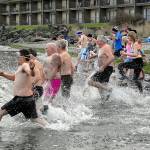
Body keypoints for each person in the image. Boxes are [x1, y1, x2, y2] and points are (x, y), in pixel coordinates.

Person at [0, 49, 49, 128]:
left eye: (18, 56)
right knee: (35, 119)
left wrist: (32, 69)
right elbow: (14, 78)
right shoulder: (21, 67)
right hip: (28, 99)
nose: (17, 58)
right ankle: (53, 127)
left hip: (21, 99)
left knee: (1, 112)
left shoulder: (25, 65)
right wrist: (3, 74)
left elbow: (30, 72)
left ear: (23, 57)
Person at [88, 35, 114, 100]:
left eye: (97, 40)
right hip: (105, 68)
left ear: (101, 41)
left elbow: (111, 57)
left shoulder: (106, 47)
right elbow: (103, 55)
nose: (96, 41)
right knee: (101, 84)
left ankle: (108, 89)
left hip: (106, 68)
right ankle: (104, 99)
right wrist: (94, 56)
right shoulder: (102, 47)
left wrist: (103, 66)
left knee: (91, 81)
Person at [42, 43, 62, 113]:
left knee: (48, 99)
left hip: (53, 80)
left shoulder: (56, 56)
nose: (45, 50)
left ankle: (49, 114)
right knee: (45, 99)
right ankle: (49, 112)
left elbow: (55, 69)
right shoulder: (49, 56)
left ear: (52, 48)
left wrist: (49, 80)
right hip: (48, 80)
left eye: (47, 48)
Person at [28, 49, 44, 114]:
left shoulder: (34, 63)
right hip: (39, 88)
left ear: (31, 56)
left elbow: (37, 77)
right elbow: (43, 77)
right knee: (36, 106)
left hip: (35, 88)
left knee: (31, 107)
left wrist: (32, 85)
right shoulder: (39, 63)